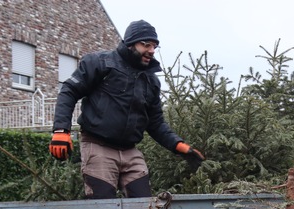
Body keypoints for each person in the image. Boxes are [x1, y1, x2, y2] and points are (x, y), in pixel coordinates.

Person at [49, 19, 205, 199]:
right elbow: (69, 91)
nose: (152, 51)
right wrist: (61, 130)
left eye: (155, 46)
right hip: (98, 146)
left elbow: (155, 123)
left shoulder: (151, 81)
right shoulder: (100, 63)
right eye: (146, 44)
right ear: (130, 43)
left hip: (130, 151)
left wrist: (178, 145)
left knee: (145, 208)